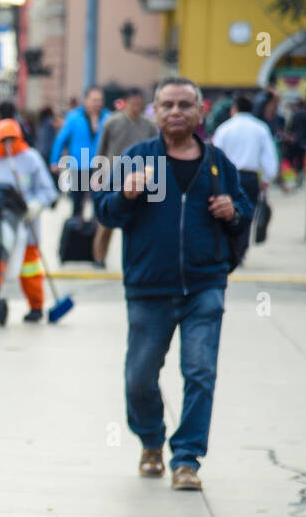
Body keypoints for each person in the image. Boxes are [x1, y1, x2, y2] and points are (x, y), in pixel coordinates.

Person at [92, 76, 253, 492]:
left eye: (185, 104)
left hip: (205, 284)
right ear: (156, 113)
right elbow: (105, 213)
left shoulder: (217, 162)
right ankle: (151, 441)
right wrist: (124, 196)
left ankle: (187, 460)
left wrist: (232, 209)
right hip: (150, 287)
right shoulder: (138, 158)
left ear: (200, 112)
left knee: (200, 372)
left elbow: (244, 209)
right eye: (168, 105)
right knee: (139, 377)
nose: (177, 111)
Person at [0, 118, 58, 321]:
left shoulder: (31, 159)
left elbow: (48, 191)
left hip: (24, 225)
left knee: (29, 268)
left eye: (12, 139)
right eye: (4, 139)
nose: (8, 144)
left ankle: (36, 306)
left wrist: (36, 205)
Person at [92, 88, 158, 266]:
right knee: (106, 223)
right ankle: (99, 258)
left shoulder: (149, 126)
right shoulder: (111, 123)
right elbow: (101, 150)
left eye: (139, 105)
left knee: (141, 222)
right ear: (125, 103)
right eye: (133, 104)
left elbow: (156, 153)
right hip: (114, 178)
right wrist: (98, 174)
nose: (136, 108)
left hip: (140, 180)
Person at [210, 92, 278, 244]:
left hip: (227, 177)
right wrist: (267, 178)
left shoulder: (224, 128)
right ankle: (242, 249)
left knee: (228, 213)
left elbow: (214, 157)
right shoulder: (260, 128)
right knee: (247, 214)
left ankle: (231, 246)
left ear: (234, 109)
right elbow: (269, 156)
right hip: (250, 178)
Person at [50, 85, 109, 219]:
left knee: (99, 203)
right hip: (78, 166)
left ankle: (94, 233)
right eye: (94, 100)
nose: (97, 103)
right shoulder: (74, 117)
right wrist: (54, 161)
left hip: (100, 166)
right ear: (86, 100)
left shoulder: (108, 118)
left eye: (99, 100)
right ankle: (76, 232)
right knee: (77, 204)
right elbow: (61, 140)